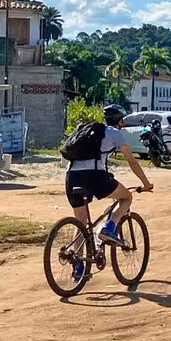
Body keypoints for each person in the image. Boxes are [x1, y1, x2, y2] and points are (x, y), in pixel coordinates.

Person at [64, 104, 153, 280]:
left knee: (81, 223)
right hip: (95, 176)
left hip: (71, 177)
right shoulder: (115, 133)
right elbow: (131, 161)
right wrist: (146, 183)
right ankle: (109, 227)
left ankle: (79, 266)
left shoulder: (86, 130)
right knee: (126, 197)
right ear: (120, 121)